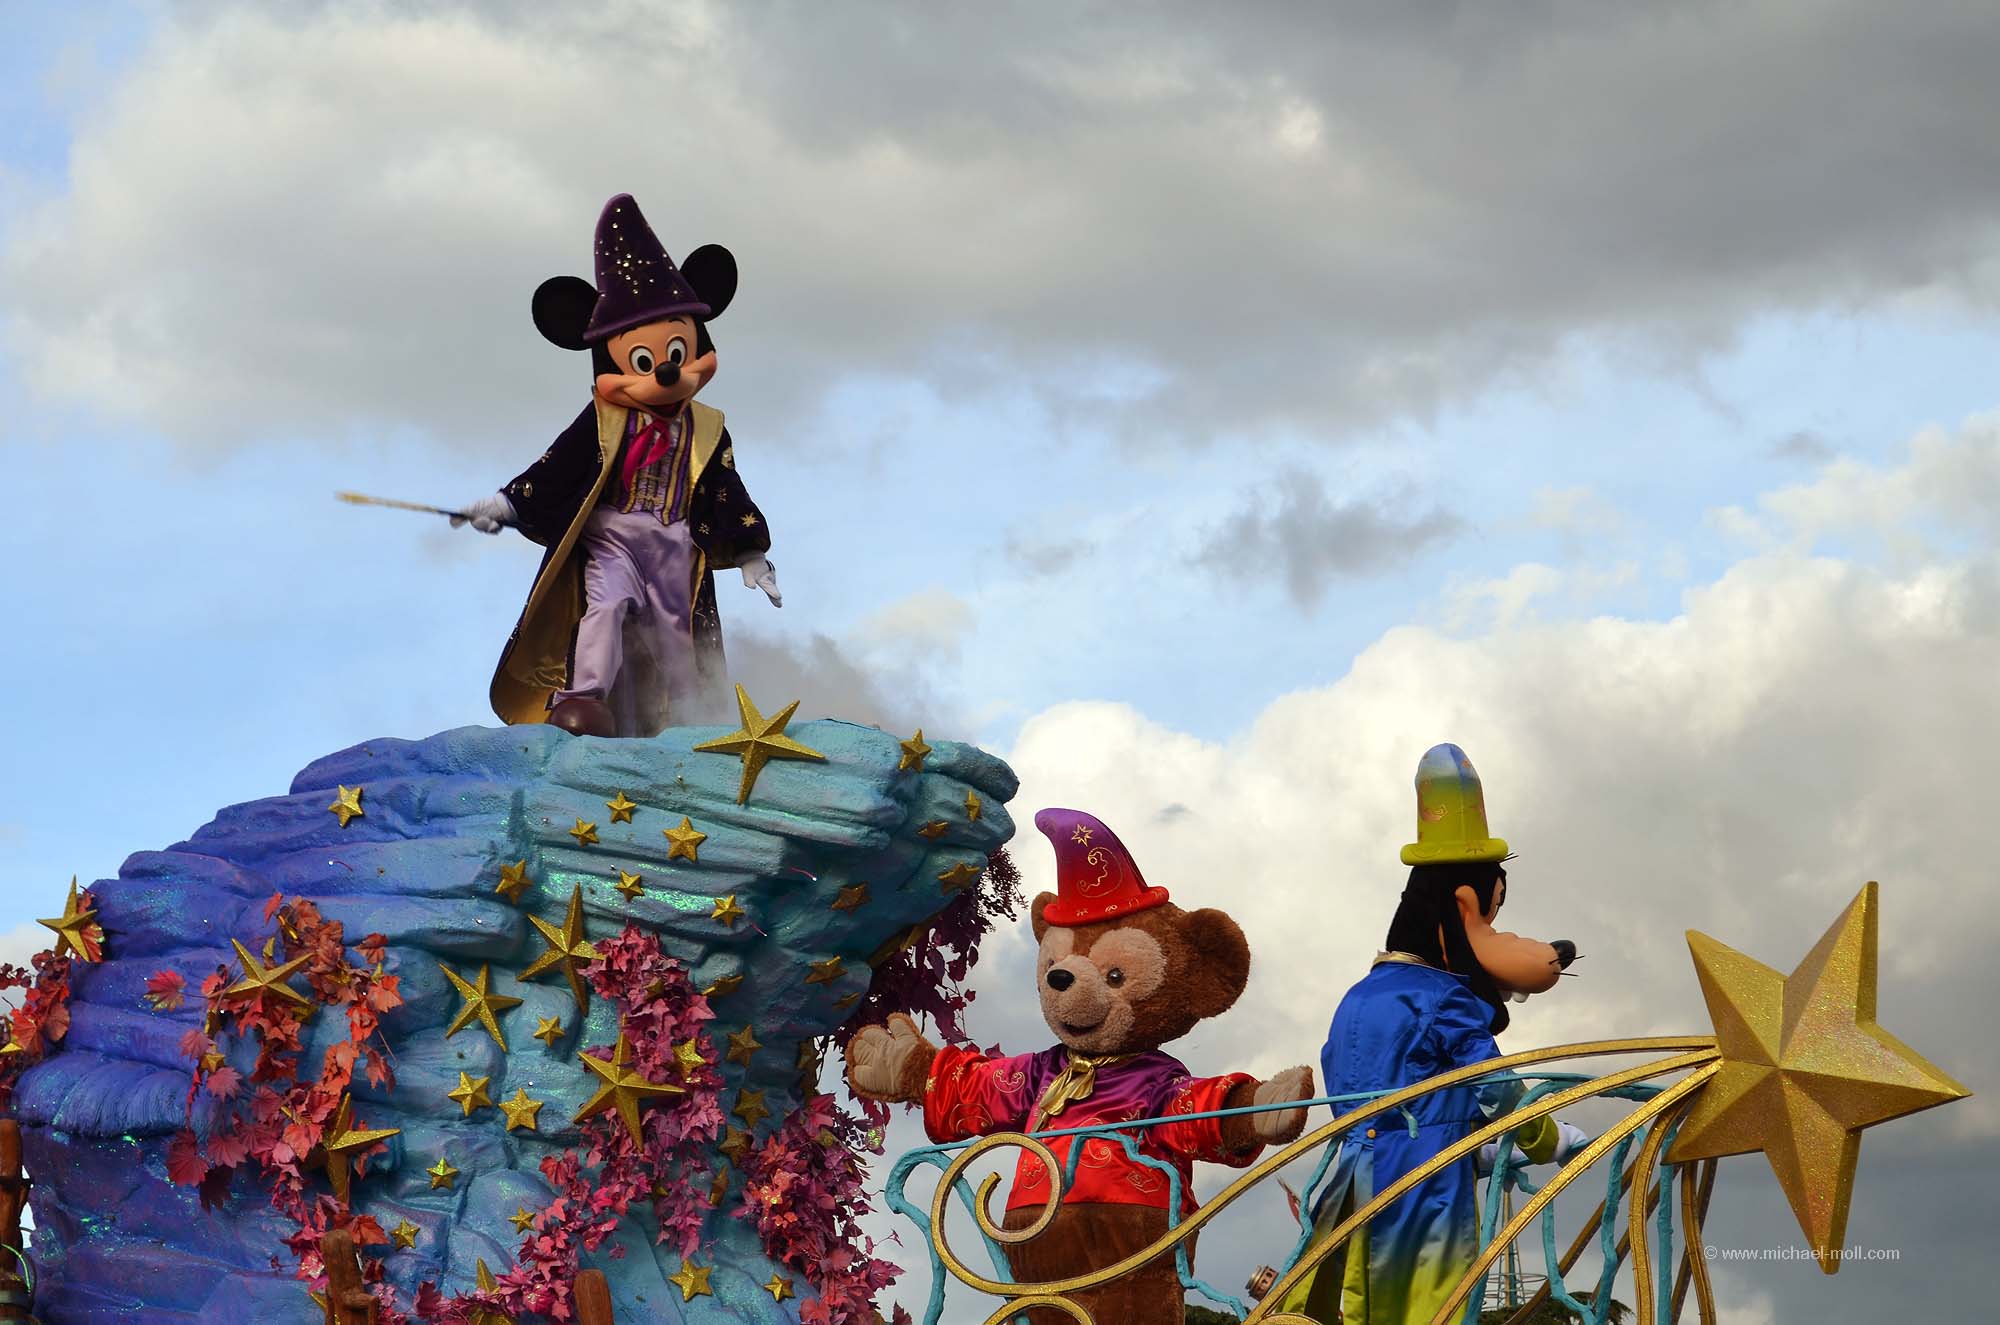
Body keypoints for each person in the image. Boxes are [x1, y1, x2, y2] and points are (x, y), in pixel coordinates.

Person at [1280, 743, 1588, 1323]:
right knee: (1426, 1307)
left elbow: (1365, 1093)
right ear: (1463, 906)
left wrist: (1475, 1147)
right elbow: (1494, 1084)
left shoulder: (1358, 995)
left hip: (1350, 1179)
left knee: (1348, 1304)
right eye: (1490, 913)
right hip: (1421, 1188)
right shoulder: (1445, 998)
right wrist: (1549, 1139)